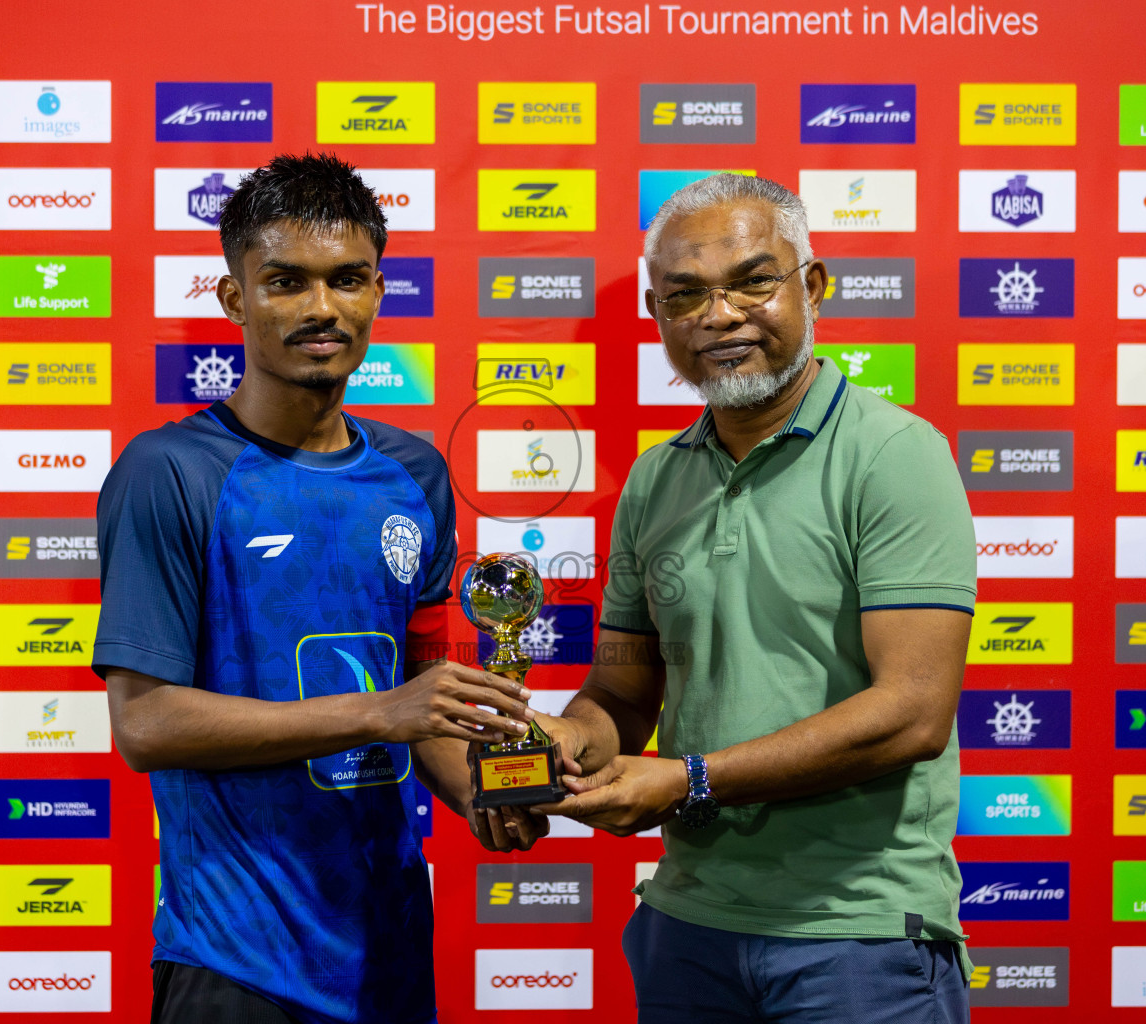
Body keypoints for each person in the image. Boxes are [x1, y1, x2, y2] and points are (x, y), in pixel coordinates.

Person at [93, 153, 540, 1024]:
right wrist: (381, 713)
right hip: (237, 962)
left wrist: (488, 791)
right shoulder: (170, 471)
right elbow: (146, 723)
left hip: (392, 951)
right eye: (286, 282)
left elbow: (426, 707)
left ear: (379, 290)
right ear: (235, 299)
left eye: (347, 280)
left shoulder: (416, 472)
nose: (321, 309)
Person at [531, 172, 978, 1023]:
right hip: (686, 926)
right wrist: (564, 742)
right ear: (659, 318)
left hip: (858, 936)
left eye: (752, 281)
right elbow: (623, 691)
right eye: (685, 296)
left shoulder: (895, 453)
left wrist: (688, 779)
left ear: (811, 287)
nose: (720, 316)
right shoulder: (657, 480)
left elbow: (914, 712)